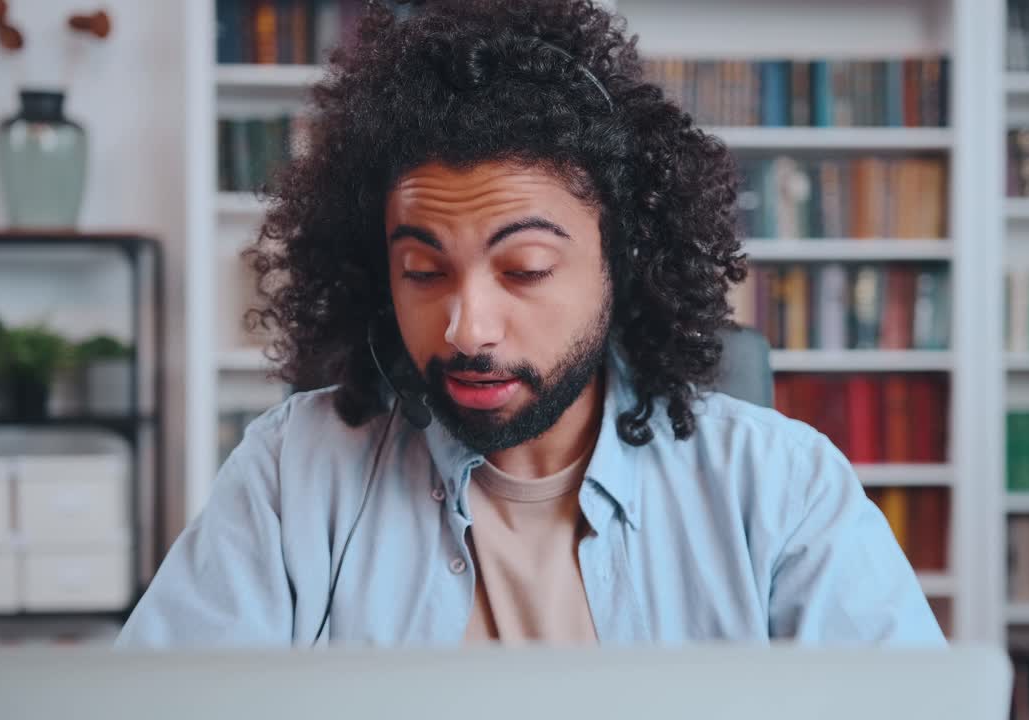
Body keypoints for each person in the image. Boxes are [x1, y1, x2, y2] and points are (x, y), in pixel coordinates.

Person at [117, 0, 944, 647]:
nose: (466, 329)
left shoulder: (782, 487)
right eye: (423, 271)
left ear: (622, 262)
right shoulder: (292, 474)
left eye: (526, 271)